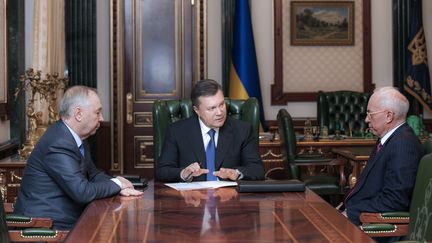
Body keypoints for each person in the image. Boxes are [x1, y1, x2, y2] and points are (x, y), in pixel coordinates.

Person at [14, 85, 143, 230]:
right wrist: (117, 184)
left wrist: (119, 185)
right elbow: (82, 192)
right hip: (46, 227)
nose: (102, 118)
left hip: (66, 220)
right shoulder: (59, 143)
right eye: (98, 112)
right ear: (79, 114)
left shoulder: (75, 138)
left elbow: (93, 175)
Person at [341, 87, 424, 240]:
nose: (366, 119)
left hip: (377, 227)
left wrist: (350, 212)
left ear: (388, 116)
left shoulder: (403, 145)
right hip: (360, 215)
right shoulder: (389, 139)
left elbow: (394, 200)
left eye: (370, 114)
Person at [155, 79, 264, 182]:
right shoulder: (177, 131)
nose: (219, 112)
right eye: (212, 108)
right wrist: (183, 173)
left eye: (221, 105)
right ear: (197, 110)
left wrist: (237, 173)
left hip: (229, 197)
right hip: (192, 198)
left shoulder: (242, 130)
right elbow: (162, 171)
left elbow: (257, 169)